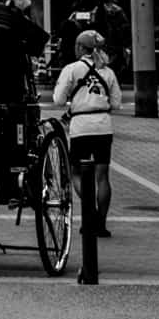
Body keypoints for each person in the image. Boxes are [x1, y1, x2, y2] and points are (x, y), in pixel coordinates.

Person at [53, 29, 123, 238]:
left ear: (82, 48)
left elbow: (58, 99)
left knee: (77, 172)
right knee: (102, 176)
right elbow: (117, 103)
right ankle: (100, 223)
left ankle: (89, 214)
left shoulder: (72, 69)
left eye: (77, 45)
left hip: (81, 126)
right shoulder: (107, 71)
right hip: (103, 125)